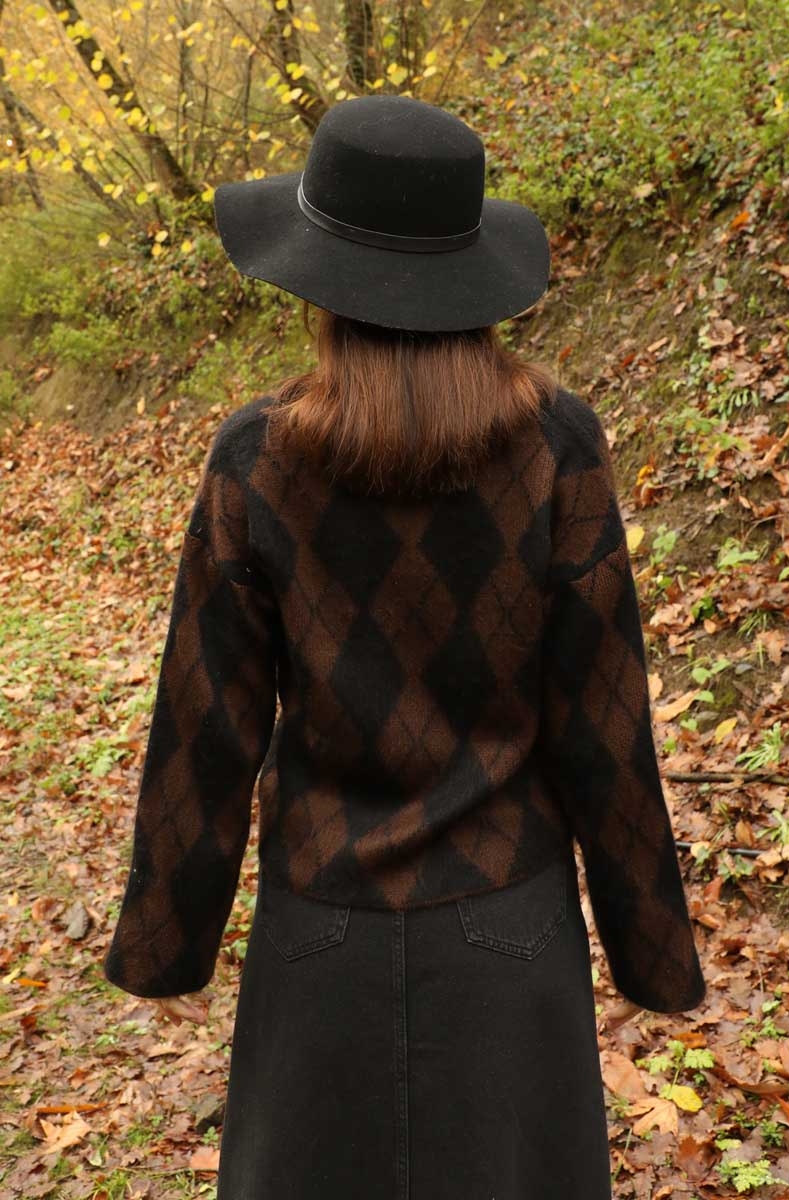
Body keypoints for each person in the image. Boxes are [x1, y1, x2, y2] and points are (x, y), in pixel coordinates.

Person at [102, 94, 706, 1200]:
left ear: (319, 277)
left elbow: (207, 724)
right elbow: (603, 721)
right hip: (510, 937)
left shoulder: (256, 458)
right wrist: (653, 955)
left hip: (317, 938)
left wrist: (165, 945)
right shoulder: (556, 446)